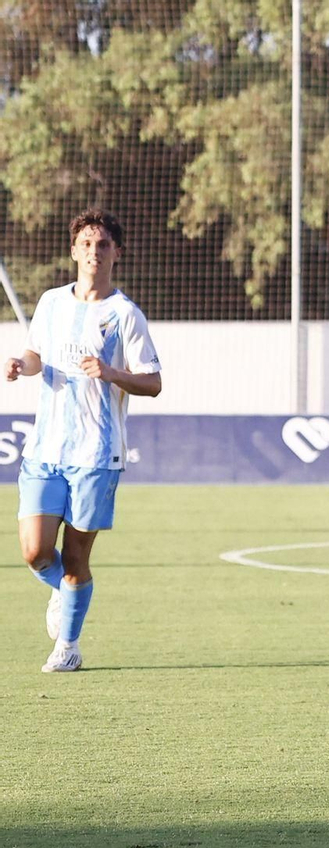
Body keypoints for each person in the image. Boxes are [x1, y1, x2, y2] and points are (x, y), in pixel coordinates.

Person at [6, 208, 161, 672]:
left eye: (103, 244)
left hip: (96, 454)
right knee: (35, 553)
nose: (94, 252)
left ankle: (68, 647)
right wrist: (20, 365)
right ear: (74, 251)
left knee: (75, 557)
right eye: (87, 244)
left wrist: (111, 373)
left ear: (117, 253)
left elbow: (152, 382)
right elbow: (36, 355)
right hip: (45, 449)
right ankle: (63, 592)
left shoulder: (125, 314)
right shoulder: (51, 303)